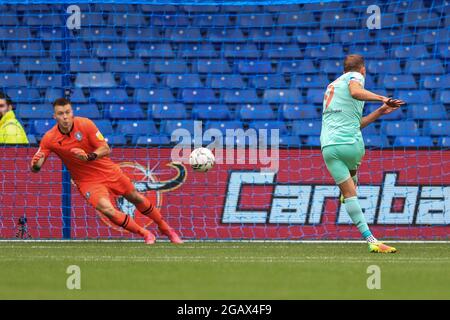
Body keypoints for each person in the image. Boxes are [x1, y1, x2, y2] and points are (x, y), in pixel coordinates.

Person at [30, 98, 182, 244]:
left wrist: (89, 157)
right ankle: (145, 233)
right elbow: (37, 165)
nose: (65, 117)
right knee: (107, 210)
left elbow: (105, 148)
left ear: (72, 112)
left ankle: (166, 228)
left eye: (67, 112)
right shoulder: (49, 138)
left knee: (136, 197)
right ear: (54, 116)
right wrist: (36, 165)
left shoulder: (86, 124)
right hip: (87, 181)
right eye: (61, 113)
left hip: (108, 171)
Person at [320, 54, 405, 253]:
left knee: (349, 194)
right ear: (363, 69)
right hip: (350, 145)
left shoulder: (332, 86)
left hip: (328, 147)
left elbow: (355, 124)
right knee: (353, 181)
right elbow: (356, 92)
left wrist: (379, 111)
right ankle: (353, 183)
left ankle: (371, 240)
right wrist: (382, 98)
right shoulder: (355, 77)